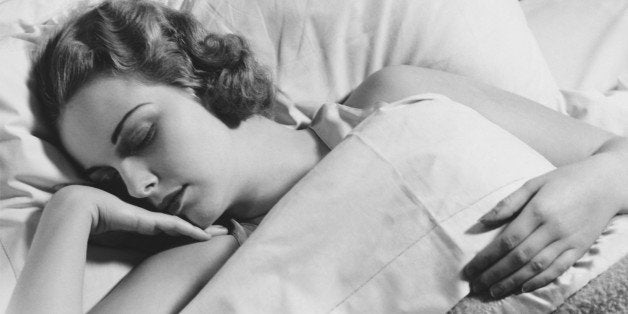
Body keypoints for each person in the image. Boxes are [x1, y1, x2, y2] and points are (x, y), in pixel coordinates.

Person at [8, 0, 628, 312]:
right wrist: (69, 210)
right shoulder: (193, 265)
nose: (136, 185)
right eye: (108, 180)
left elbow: (615, 153)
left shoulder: (393, 98)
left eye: (141, 136)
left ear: (197, 77)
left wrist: (594, 187)